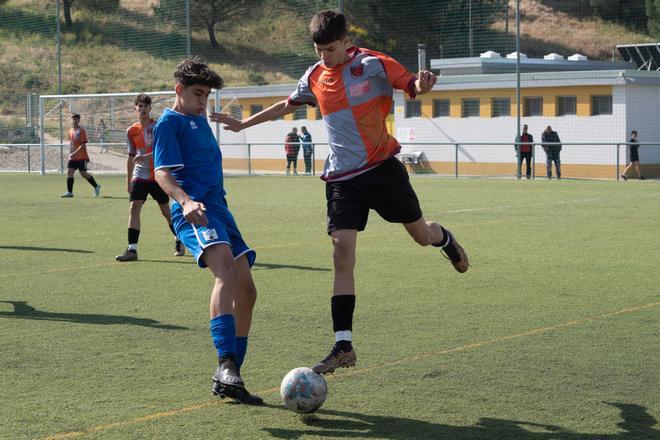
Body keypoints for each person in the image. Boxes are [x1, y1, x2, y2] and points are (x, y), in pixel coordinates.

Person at [213, 10, 469, 376]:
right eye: (319, 50)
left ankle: (443, 238)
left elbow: (411, 86)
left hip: (382, 169)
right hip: (342, 178)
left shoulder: (375, 65)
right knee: (342, 253)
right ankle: (343, 345)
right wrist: (242, 124)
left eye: (330, 49)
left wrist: (423, 86)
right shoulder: (315, 75)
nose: (324, 57)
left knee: (419, 235)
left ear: (347, 42)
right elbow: (289, 104)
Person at [153, 56, 262, 405]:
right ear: (179, 90)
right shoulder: (169, 124)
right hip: (195, 211)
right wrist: (185, 202)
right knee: (225, 271)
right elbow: (162, 173)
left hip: (220, 210)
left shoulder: (198, 120)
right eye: (198, 94)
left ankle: (232, 377)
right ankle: (225, 363)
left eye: (207, 95)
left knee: (247, 291)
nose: (203, 101)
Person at [115, 94, 184, 262]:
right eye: (140, 106)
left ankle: (179, 239)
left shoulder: (158, 127)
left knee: (165, 211)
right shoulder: (131, 130)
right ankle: (132, 250)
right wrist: (128, 179)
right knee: (134, 207)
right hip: (139, 176)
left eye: (146, 106)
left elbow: (165, 150)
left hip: (158, 175)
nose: (143, 109)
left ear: (150, 108)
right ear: (135, 109)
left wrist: (147, 157)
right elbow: (131, 156)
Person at [61, 114, 101, 198]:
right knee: (70, 172)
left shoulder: (82, 131)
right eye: (73, 119)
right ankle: (70, 192)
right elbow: (72, 144)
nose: (74, 121)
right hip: (73, 157)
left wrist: (74, 153)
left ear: (79, 120)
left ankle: (96, 186)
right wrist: (70, 154)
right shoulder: (71, 130)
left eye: (76, 119)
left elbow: (83, 145)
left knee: (83, 173)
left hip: (82, 157)